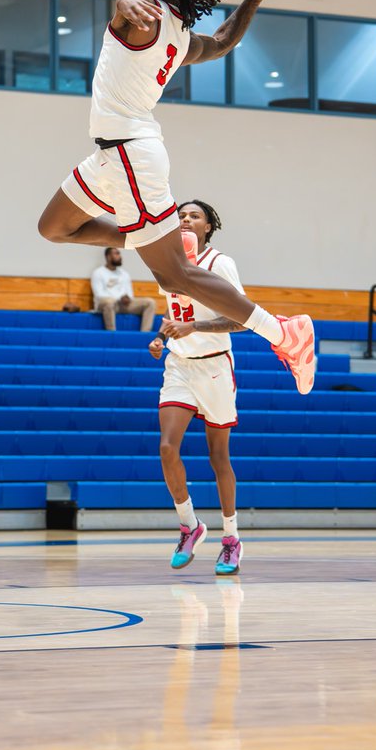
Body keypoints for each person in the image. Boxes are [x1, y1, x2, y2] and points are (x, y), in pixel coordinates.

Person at [37, 0, 316, 395]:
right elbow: (223, 41)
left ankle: (284, 333)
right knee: (54, 228)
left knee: (175, 276)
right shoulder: (177, 31)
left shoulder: (141, 14)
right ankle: (158, 233)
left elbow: (127, 2)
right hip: (112, 156)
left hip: (130, 154)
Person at [148, 200, 246, 575]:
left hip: (215, 367)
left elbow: (241, 319)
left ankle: (231, 539)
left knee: (218, 457)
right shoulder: (167, 263)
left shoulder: (220, 264)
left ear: (208, 226)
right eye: (181, 216)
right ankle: (189, 524)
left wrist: (196, 329)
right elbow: (174, 315)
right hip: (179, 366)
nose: (186, 220)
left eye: (194, 216)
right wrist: (161, 336)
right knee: (167, 447)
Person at [90, 247, 156, 332]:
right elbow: (99, 294)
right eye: (116, 253)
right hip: (106, 304)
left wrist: (128, 298)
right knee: (109, 303)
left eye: (119, 253)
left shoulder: (124, 274)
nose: (120, 256)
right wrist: (119, 298)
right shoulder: (98, 273)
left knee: (150, 303)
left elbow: (130, 294)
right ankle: (112, 334)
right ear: (108, 256)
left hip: (122, 305)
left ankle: (145, 334)